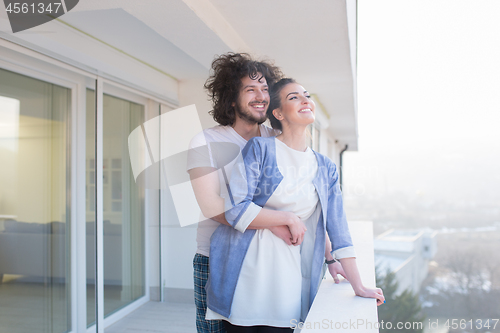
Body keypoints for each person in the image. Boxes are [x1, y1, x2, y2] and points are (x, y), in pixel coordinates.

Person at [206, 78, 385, 333]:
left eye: (306, 95)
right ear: (278, 113)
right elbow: (235, 207)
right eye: (294, 97)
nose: (305, 100)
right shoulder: (260, 149)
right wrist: (287, 218)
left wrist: (357, 283)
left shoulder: (325, 167)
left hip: (288, 276)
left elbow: (337, 227)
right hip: (245, 272)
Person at [187, 54, 346, 333]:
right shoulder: (206, 142)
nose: (261, 96)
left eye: (264, 89)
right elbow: (213, 206)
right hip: (216, 258)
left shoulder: (277, 141)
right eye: (250, 89)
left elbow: (308, 207)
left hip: (271, 261)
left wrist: (331, 258)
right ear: (232, 98)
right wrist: (279, 221)